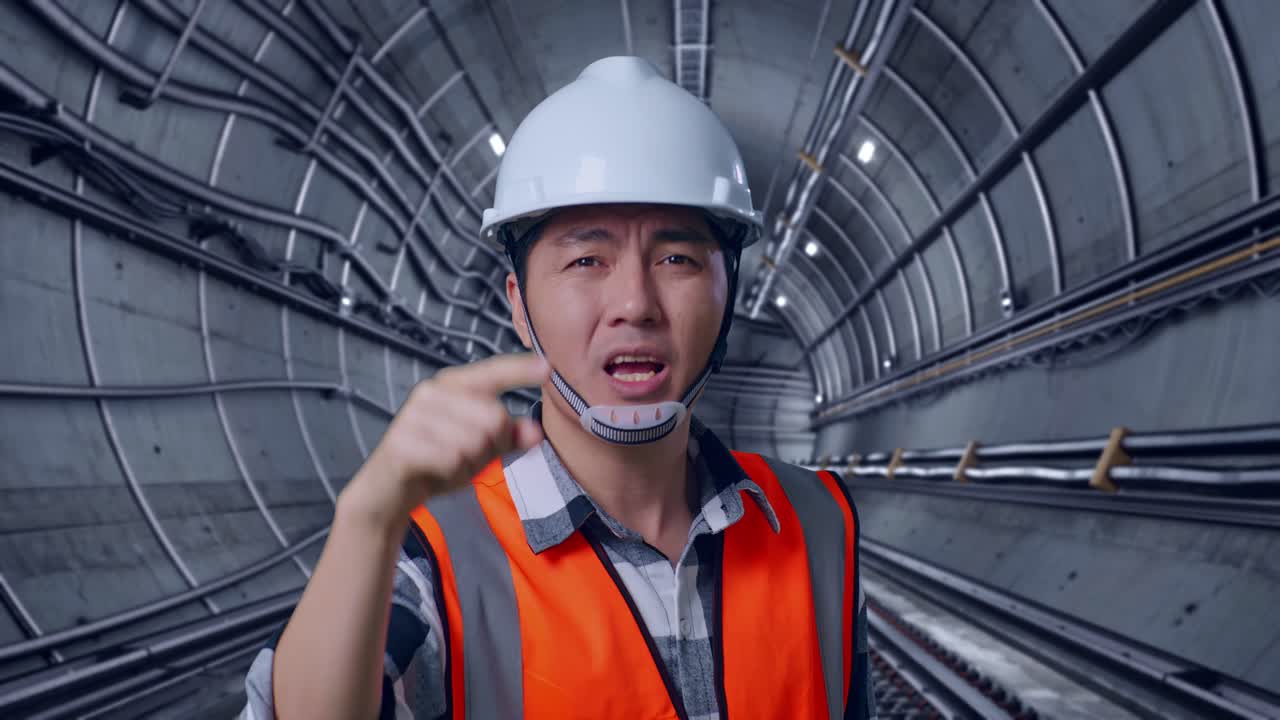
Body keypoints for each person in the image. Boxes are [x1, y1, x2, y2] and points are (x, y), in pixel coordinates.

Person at [241, 56, 871, 720]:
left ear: (729, 291)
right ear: (519, 305)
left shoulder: (818, 522)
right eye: (586, 260)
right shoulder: (435, 557)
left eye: (677, 258)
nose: (635, 303)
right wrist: (367, 520)